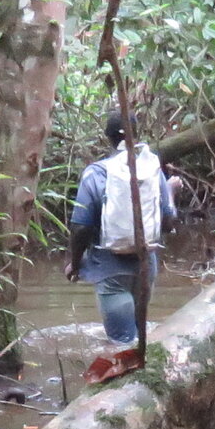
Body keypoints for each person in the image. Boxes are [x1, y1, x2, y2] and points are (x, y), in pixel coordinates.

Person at [66, 113, 177, 348]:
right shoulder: (151, 171)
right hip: (146, 268)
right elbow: (168, 222)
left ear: (107, 137)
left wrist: (75, 264)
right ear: (135, 135)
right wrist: (171, 191)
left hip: (110, 271)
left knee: (121, 344)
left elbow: (81, 227)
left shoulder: (95, 174)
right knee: (139, 338)